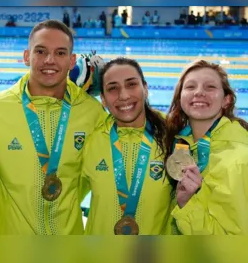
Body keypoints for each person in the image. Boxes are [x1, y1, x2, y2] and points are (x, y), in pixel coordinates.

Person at [0, 19, 107, 235]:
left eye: (60, 53)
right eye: (40, 51)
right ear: (26, 56)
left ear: (71, 60)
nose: (50, 60)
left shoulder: (92, 113)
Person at [79, 57, 174, 235]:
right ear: (103, 99)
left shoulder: (174, 138)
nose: (123, 96)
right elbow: (65, 198)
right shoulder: (91, 139)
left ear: (145, 88)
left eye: (131, 84)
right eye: (113, 88)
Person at [165, 59, 248, 235]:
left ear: (227, 100)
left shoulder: (239, 159)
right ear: (180, 99)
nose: (199, 92)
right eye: (190, 87)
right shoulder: (180, 143)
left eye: (210, 87)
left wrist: (187, 204)